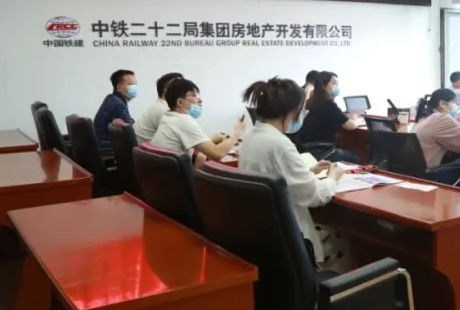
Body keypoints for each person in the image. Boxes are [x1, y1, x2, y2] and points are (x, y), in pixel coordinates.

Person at [239, 77, 347, 267]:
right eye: (302, 109)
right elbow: (314, 196)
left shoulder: (250, 135)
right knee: (342, 237)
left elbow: (273, 174)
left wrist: (309, 170)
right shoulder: (280, 144)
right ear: (291, 110)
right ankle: (337, 284)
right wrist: (332, 177)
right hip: (291, 238)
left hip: (262, 231)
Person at [150, 78, 245, 167]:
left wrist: (210, 140)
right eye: (193, 95)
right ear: (180, 102)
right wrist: (238, 132)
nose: (200, 100)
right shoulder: (183, 121)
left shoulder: (168, 116)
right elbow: (217, 154)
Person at [411, 88, 460, 189]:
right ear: (443, 104)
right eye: (453, 103)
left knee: (452, 158)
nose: (456, 107)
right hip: (429, 176)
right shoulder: (440, 118)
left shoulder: (423, 118)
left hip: (414, 174)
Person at [297, 71, 359, 162]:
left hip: (306, 150)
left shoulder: (310, 101)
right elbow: (351, 126)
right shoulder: (328, 104)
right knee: (354, 157)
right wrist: (355, 118)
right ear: (323, 85)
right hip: (321, 152)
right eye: (334, 83)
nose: (336, 87)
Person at [134, 72, 183, 144]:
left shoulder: (159, 105)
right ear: (167, 90)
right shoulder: (165, 110)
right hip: (146, 149)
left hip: (140, 147)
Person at [93, 69, 137, 145]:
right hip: (107, 147)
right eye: (131, 84)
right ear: (119, 87)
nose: (135, 87)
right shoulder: (118, 105)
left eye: (136, 84)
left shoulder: (112, 98)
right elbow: (130, 131)